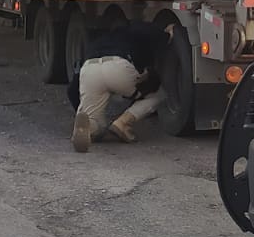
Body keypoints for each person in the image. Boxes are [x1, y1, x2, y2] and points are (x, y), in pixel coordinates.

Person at [67, 21, 175, 152]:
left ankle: (89, 127)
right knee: (158, 95)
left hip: (89, 69)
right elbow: (152, 36)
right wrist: (166, 35)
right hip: (118, 67)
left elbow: (72, 90)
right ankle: (123, 122)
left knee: (96, 122)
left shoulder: (99, 41)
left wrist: (80, 105)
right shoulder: (135, 33)